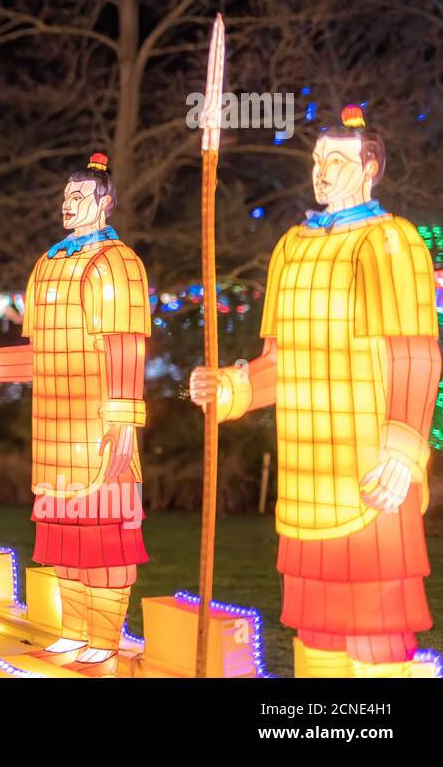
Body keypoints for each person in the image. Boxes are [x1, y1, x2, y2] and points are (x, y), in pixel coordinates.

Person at [190, 106, 440, 678]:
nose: (322, 173)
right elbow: (282, 365)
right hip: (307, 479)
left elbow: (416, 353)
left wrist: (403, 450)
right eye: (316, 161)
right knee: (317, 626)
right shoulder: (291, 249)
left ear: (370, 166)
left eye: (336, 161)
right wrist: (229, 388)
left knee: (376, 626)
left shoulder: (391, 242)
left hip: (369, 473)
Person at [0, 153, 150, 675]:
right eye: (65, 194)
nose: (67, 202)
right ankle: (74, 631)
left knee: (103, 532)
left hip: (98, 426)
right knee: (63, 536)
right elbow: (40, 356)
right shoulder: (49, 264)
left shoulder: (118, 263)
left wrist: (123, 417)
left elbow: (127, 345)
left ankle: (104, 635)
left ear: (104, 200)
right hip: (54, 426)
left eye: (79, 195)